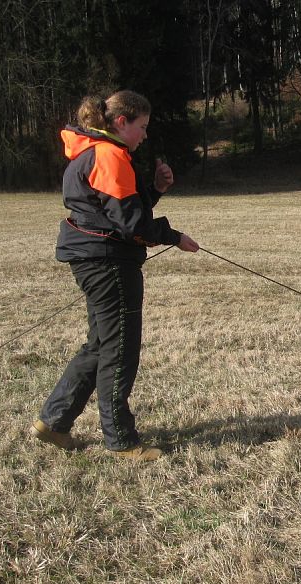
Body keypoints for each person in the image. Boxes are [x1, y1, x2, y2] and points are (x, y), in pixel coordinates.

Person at [31, 90, 199, 461]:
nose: (144, 135)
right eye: (142, 127)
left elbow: (116, 211)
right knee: (120, 348)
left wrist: (155, 190)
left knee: (100, 345)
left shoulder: (94, 152)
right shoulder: (109, 156)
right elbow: (131, 225)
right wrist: (174, 236)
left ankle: (54, 422)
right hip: (108, 263)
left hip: (94, 257)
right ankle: (121, 439)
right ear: (122, 122)